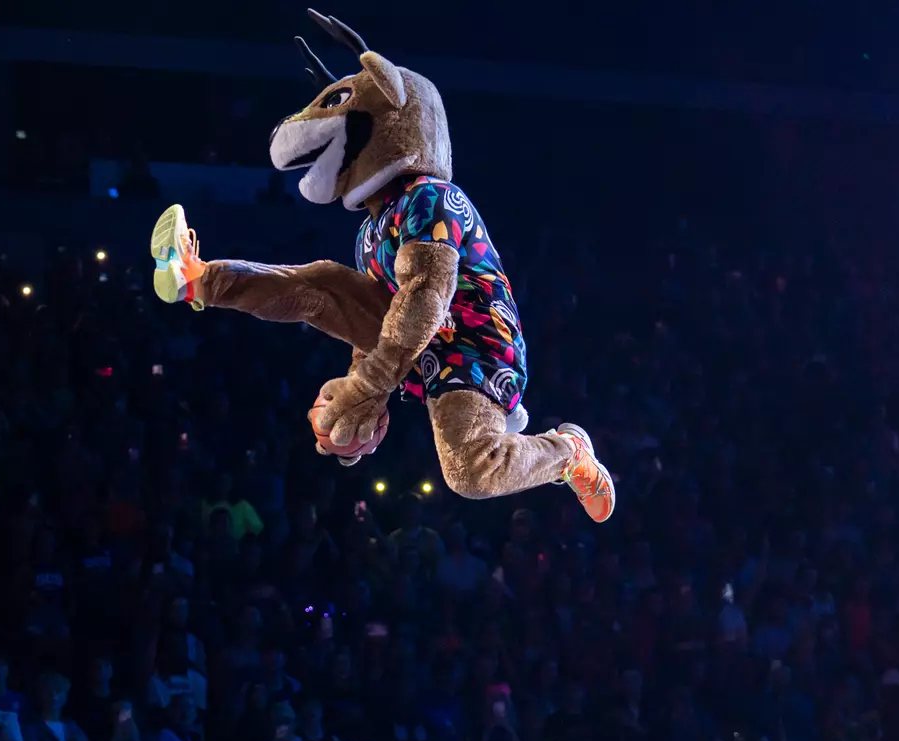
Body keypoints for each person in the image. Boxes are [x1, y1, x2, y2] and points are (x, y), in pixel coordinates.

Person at [147, 13, 613, 519]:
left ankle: (567, 452)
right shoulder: (374, 227)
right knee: (322, 283)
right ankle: (202, 278)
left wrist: (367, 388)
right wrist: (360, 404)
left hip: (475, 348)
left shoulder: (432, 200)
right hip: (420, 345)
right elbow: (377, 316)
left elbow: (422, 302)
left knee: (469, 473)